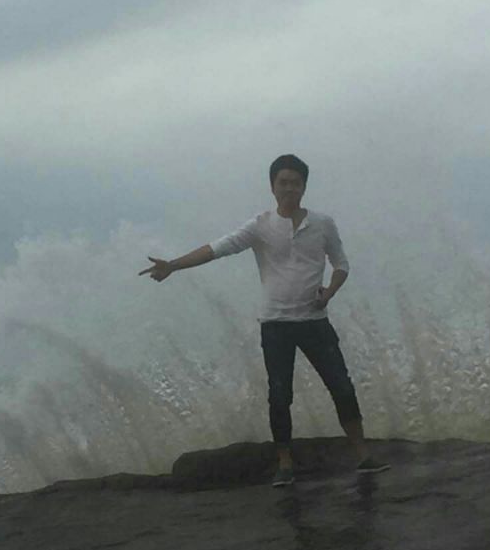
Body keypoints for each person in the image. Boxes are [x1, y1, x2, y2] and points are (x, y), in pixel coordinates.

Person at [139, 154, 390, 486]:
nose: (289, 188)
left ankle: (363, 455)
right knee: (280, 395)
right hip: (276, 325)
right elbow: (216, 249)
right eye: (283, 182)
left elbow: (341, 264)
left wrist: (329, 292)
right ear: (272, 186)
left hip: (314, 321)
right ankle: (284, 464)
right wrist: (172, 265)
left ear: (304, 187)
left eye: (295, 183)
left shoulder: (323, 224)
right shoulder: (260, 225)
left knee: (341, 386)